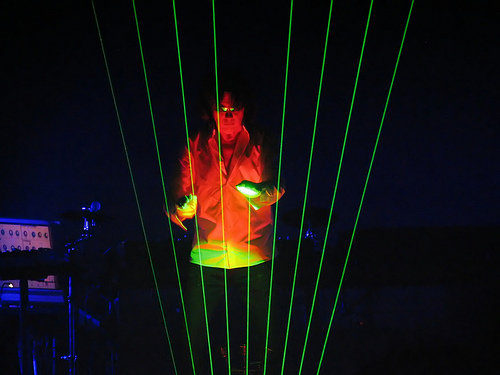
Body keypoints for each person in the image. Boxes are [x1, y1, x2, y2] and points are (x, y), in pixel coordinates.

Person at [167, 69, 284, 374]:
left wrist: (261, 192)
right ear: (210, 110)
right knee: (194, 339)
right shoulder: (193, 146)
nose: (229, 116)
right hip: (206, 257)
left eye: (235, 108)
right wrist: (182, 207)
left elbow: (276, 186)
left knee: (265, 337)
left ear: (246, 109)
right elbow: (177, 200)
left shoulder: (263, 141)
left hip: (254, 255)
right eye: (222, 108)